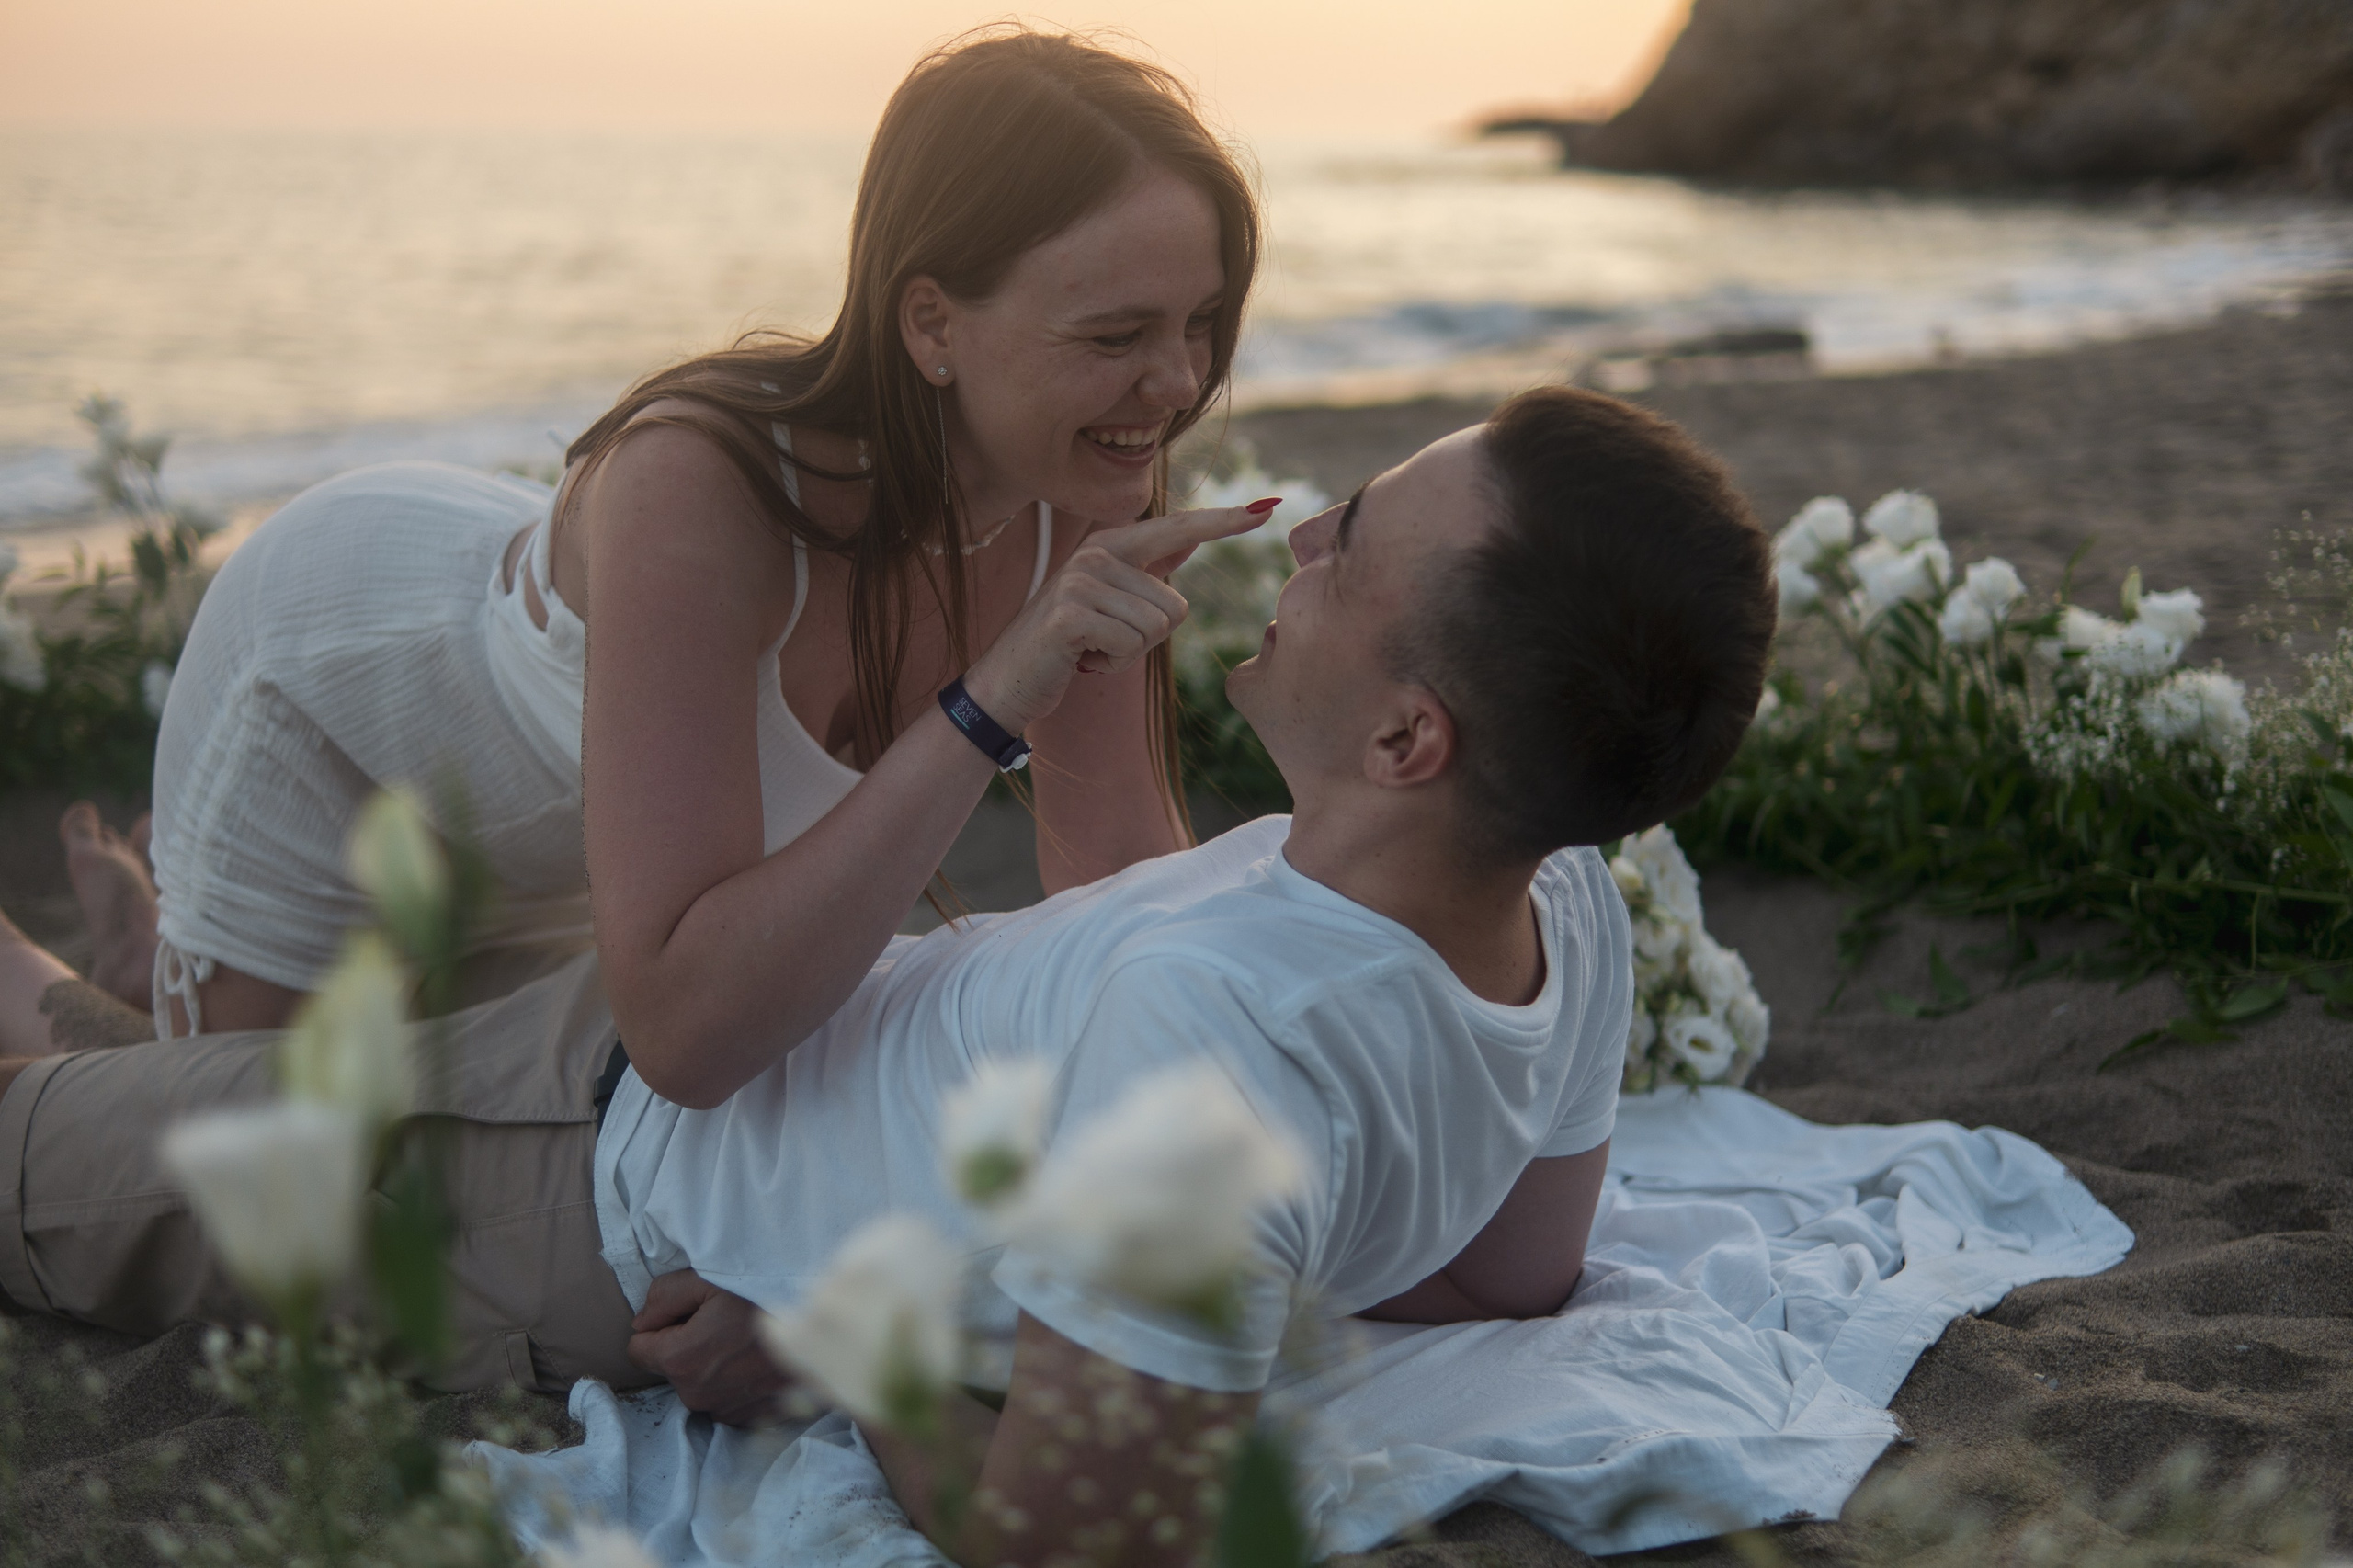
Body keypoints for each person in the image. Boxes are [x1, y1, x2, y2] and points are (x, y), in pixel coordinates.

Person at [0, 386, 1777, 1568]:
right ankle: (121, 996)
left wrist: (846, 1355)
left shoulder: (1218, 1051)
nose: (1303, 536)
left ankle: (87, 1031)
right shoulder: (1564, 902)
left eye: (1359, 535)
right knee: (127, 1093)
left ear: (1407, 732)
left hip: (581, 1167)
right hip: (731, 1024)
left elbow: (1058, 1538)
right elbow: (1516, 1263)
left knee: (29, 1166)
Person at [0, 27, 1267, 1117]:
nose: (1173, 385)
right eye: (1115, 334)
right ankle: (59, 971)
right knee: (233, 1165)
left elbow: (1116, 882)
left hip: (596, 862)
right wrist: (991, 697)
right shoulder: (706, 485)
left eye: (1200, 323)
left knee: (436, 1108)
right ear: (932, 321)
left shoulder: (1082, 478)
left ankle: (159, 946)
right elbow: (684, 1028)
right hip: (332, 712)